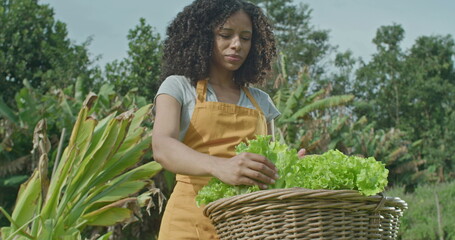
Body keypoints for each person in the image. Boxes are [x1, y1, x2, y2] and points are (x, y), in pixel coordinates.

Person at [152, 0, 299, 239]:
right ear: (203, 36)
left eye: (245, 37)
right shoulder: (178, 86)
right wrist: (220, 166)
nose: (236, 45)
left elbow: (269, 166)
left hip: (248, 226)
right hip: (188, 222)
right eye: (225, 35)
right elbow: (162, 147)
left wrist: (289, 168)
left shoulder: (261, 101)